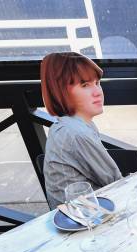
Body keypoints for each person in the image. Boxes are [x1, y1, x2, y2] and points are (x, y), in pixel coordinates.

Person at [40, 52, 122, 208]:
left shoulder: (67, 125)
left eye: (97, 83)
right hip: (85, 221)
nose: (98, 92)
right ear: (61, 91)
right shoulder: (76, 134)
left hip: (81, 213)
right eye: (85, 85)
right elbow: (116, 182)